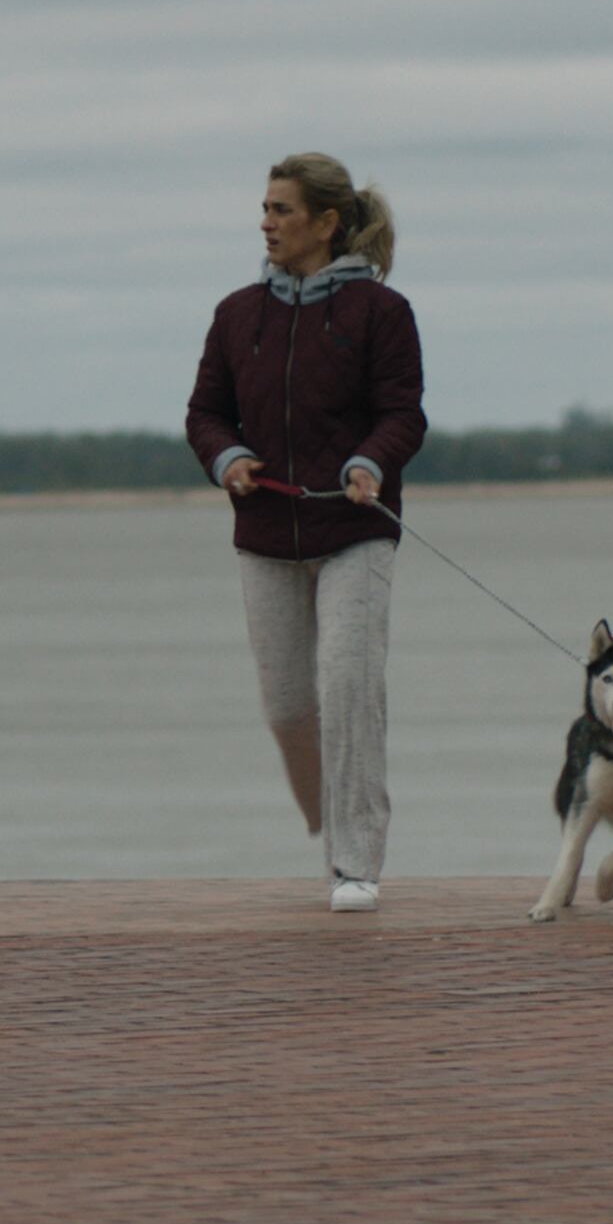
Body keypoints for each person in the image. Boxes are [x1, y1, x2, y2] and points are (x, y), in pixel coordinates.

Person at [184, 153, 427, 911]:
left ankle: (355, 861)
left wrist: (369, 462)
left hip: (354, 527)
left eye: (282, 210)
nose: (267, 222)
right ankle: (328, 817)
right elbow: (204, 414)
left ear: (326, 223)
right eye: (264, 208)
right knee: (289, 706)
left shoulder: (382, 314)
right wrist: (227, 459)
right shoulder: (235, 315)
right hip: (265, 532)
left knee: (350, 689)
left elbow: (402, 416)